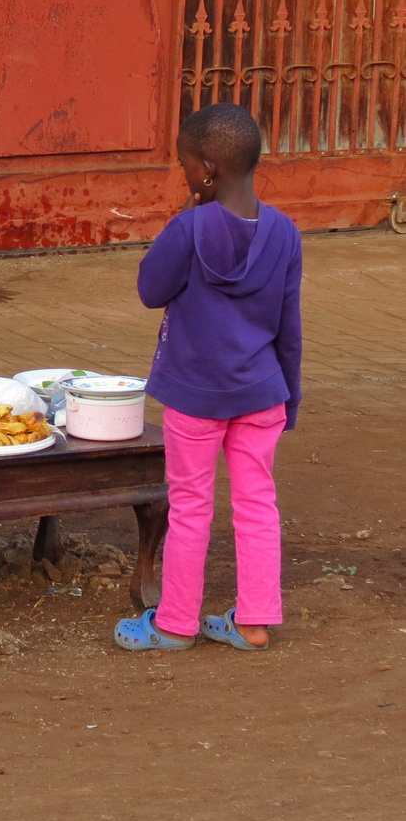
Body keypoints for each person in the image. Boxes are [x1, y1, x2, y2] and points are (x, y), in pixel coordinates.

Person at [115, 102, 302, 651]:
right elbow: (289, 328)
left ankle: (174, 623)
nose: (184, 175)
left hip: (194, 398)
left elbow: (151, 290)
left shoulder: (188, 228)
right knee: (257, 504)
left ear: (207, 171)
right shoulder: (286, 233)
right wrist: (289, 399)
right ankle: (254, 620)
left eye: (184, 166)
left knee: (191, 503)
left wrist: (183, 215)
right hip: (262, 393)